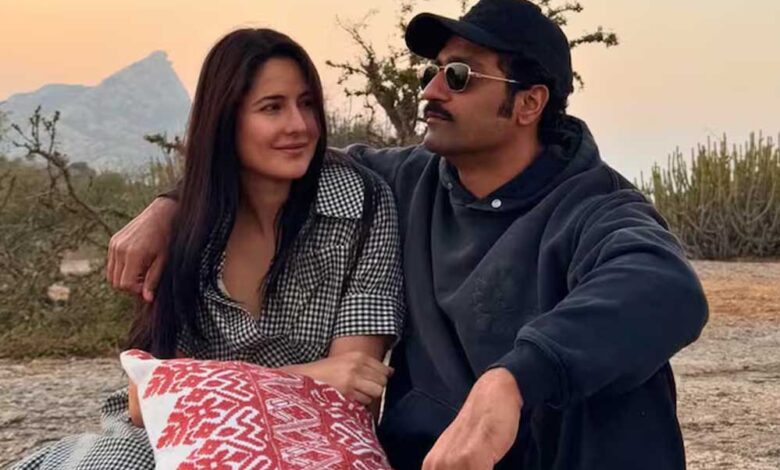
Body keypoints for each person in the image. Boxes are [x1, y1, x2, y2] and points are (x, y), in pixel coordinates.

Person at [106, 0, 709, 468]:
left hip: (556, 456)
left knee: (615, 377)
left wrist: (515, 380)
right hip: (432, 460)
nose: (430, 91)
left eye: (459, 75)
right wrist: (169, 207)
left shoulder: (595, 207)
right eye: (433, 71)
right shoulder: (401, 182)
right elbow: (275, 162)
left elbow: (664, 288)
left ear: (528, 104)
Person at [14, 28, 404, 470]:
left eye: (307, 103)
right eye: (272, 107)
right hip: (181, 434)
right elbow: (144, 402)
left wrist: (198, 385)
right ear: (225, 120)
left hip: (311, 435)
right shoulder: (185, 226)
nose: (299, 125)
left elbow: (356, 387)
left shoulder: (361, 206)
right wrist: (308, 375)